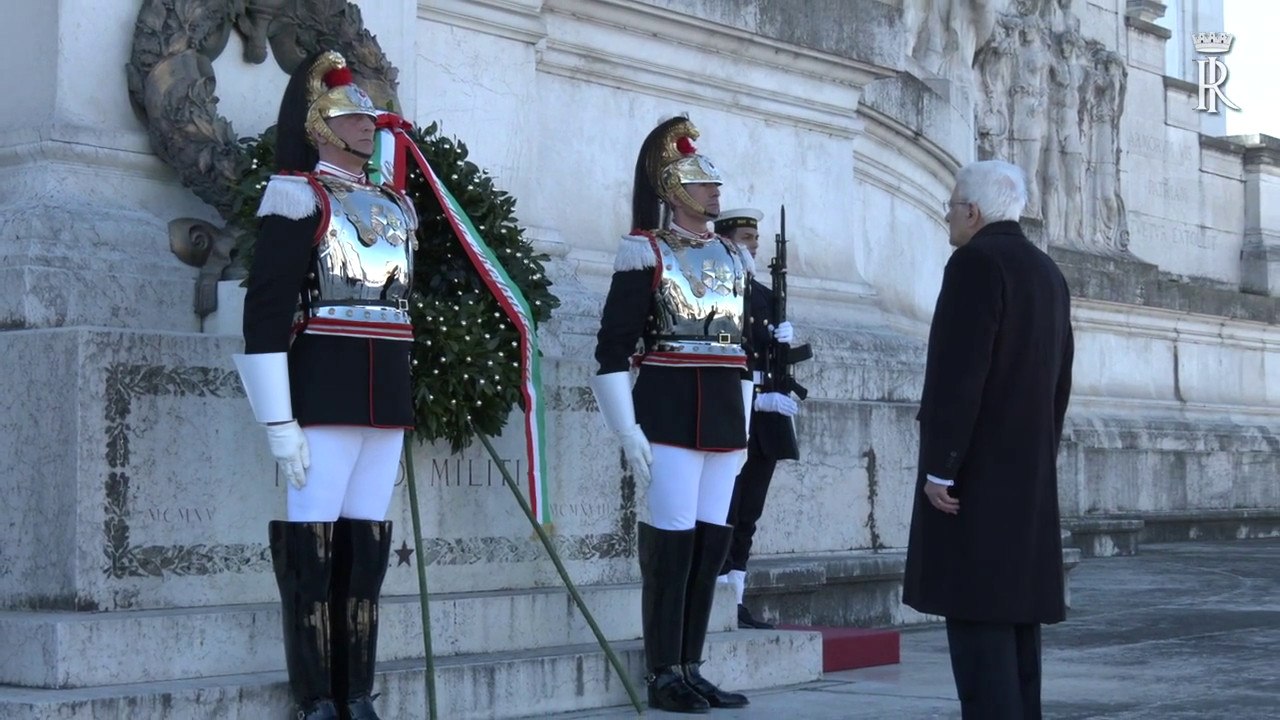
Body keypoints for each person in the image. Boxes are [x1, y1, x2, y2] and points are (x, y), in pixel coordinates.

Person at [233, 50, 417, 720]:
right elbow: (266, 313)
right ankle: (316, 699)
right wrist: (278, 421)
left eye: (369, 116)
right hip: (323, 389)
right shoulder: (297, 196)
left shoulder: (393, 204)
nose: (368, 125)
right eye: (350, 116)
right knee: (312, 550)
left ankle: (356, 693)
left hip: (385, 394)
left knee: (366, 549)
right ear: (318, 126)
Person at [591, 117, 753, 713]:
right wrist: (626, 428)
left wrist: (745, 425)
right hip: (668, 408)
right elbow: (611, 348)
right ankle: (663, 671)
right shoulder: (645, 253)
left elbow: (745, 351)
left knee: (710, 545)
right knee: (673, 541)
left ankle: (691, 663)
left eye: (715, 182)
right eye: (699, 181)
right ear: (672, 189)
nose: (714, 191)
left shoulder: (736, 258)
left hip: (722, 416)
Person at [902, 160, 1074, 720]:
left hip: (974, 479)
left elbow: (960, 374)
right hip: (1026, 473)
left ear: (972, 212)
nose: (947, 215)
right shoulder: (1047, 271)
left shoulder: (975, 263)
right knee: (1017, 630)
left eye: (952, 206)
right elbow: (1061, 379)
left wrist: (941, 467)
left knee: (979, 633)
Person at [712, 208, 798, 630]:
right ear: (726, 240)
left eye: (756, 239)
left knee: (749, 512)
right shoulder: (716, 290)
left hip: (765, 418)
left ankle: (738, 599)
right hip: (736, 410)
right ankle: (716, 597)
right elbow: (721, 350)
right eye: (747, 237)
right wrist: (754, 395)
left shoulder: (764, 295)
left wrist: (783, 343)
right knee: (724, 509)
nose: (754, 246)